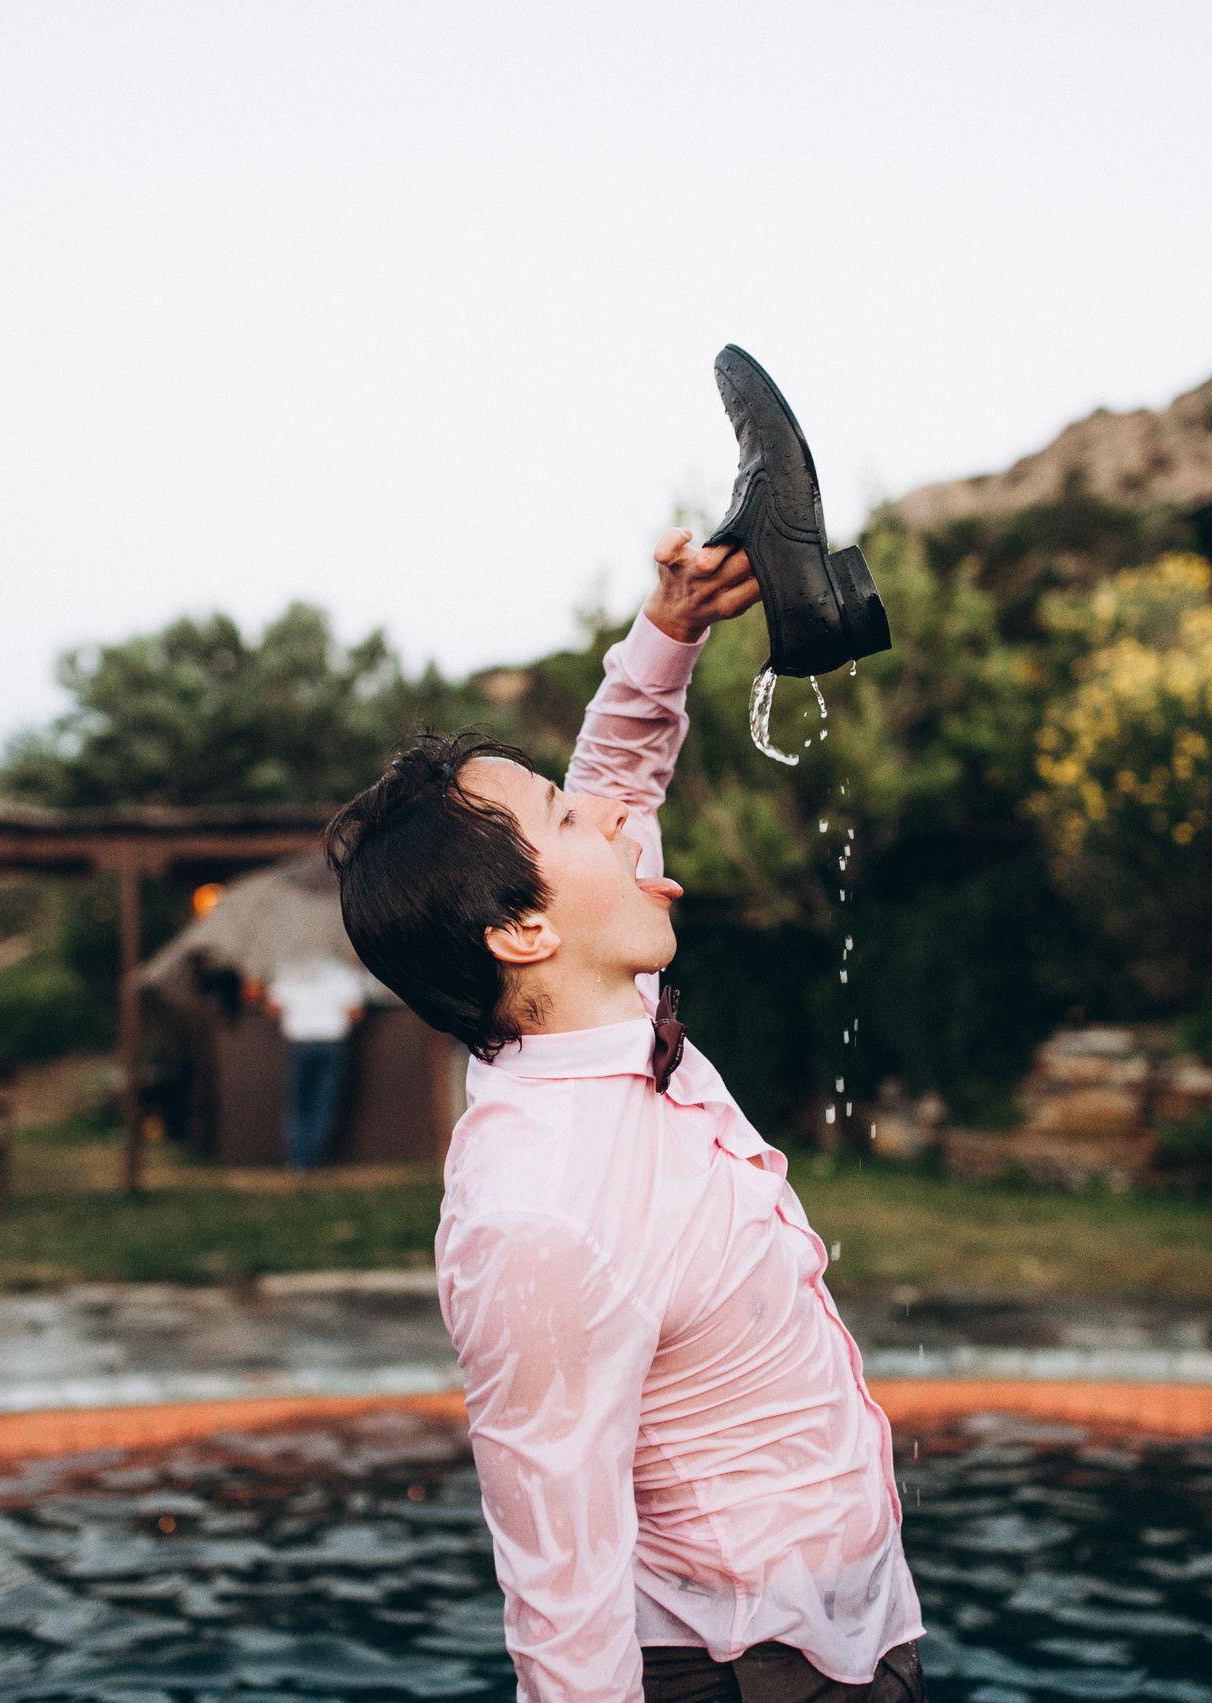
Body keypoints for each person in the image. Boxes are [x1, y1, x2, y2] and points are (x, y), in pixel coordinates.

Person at [325, 529, 924, 1703]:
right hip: (740, 1675)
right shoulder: (536, 1213)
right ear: (522, 931)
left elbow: (620, 775)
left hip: (851, 1629)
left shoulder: (599, 1000)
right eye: (566, 818)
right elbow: (558, 1578)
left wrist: (672, 630)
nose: (610, 816)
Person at [263, 954, 367, 1170]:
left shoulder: (289, 968)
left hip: (300, 1042)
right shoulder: (342, 971)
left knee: (299, 1102)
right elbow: (356, 1012)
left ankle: (296, 1159)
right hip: (332, 1042)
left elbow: (273, 1008)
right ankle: (313, 1158)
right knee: (323, 1102)